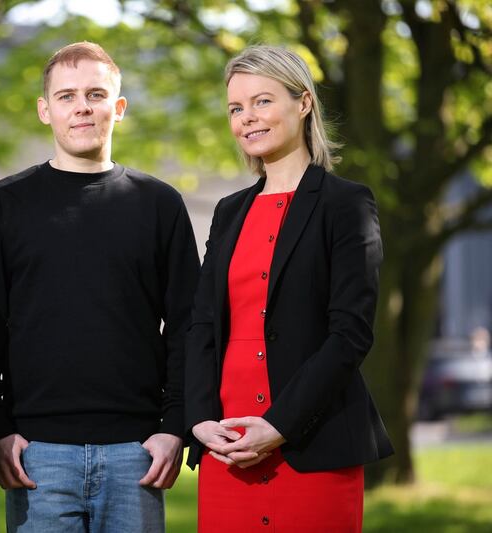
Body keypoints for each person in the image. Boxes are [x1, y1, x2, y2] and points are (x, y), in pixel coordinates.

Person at [0, 42, 200, 532]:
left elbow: (187, 327)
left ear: (118, 108)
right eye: (67, 95)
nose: (82, 107)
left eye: (96, 94)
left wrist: (173, 427)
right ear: (45, 109)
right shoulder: (5, 204)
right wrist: (1, 429)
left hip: (136, 452)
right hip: (37, 454)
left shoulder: (159, 204)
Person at [185, 45, 394, 531]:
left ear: (303, 104)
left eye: (262, 101)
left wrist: (279, 426)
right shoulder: (229, 211)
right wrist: (198, 420)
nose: (247, 118)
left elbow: (350, 334)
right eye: (236, 108)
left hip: (312, 443)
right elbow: (202, 325)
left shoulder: (347, 204)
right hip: (228, 444)